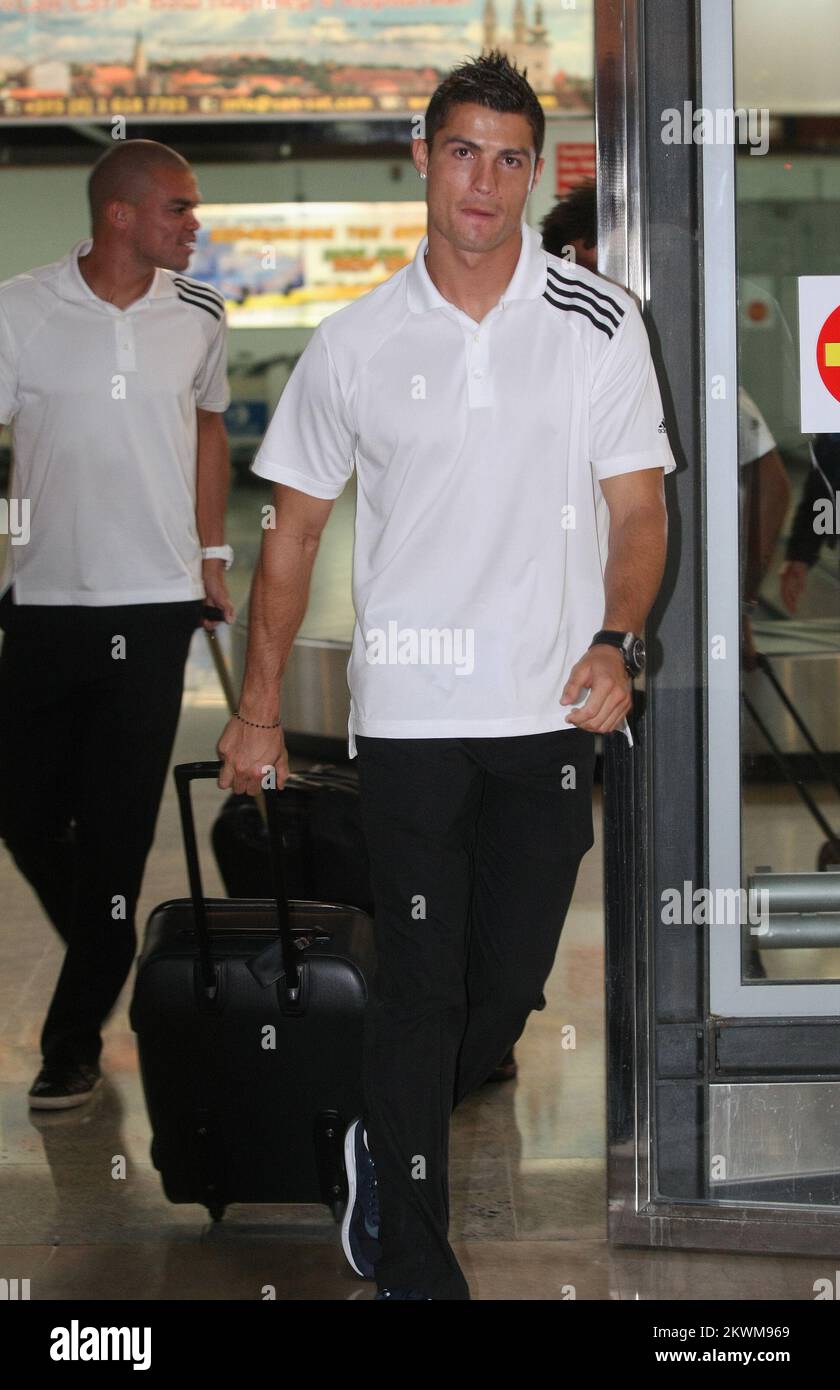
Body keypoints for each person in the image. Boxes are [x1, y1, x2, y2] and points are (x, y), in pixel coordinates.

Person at [218, 51, 675, 1300]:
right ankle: (420, 1269)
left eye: (511, 156)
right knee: (423, 992)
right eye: (462, 149)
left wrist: (616, 638)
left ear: (538, 171)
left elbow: (638, 511)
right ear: (422, 158)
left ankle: (377, 1131)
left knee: (503, 994)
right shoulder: (356, 339)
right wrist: (258, 708)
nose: (485, 179)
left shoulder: (600, 323)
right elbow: (293, 534)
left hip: (547, 710)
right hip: (413, 717)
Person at [0, 139, 235, 1110]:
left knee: (114, 838)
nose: (196, 224)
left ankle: (72, 1039)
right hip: (46, 601)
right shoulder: (19, 309)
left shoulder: (201, 316)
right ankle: (108, 944)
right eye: (180, 209)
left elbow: (212, 425)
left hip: (155, 607)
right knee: (19, 807)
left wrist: (214, 557)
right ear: (121, 217)